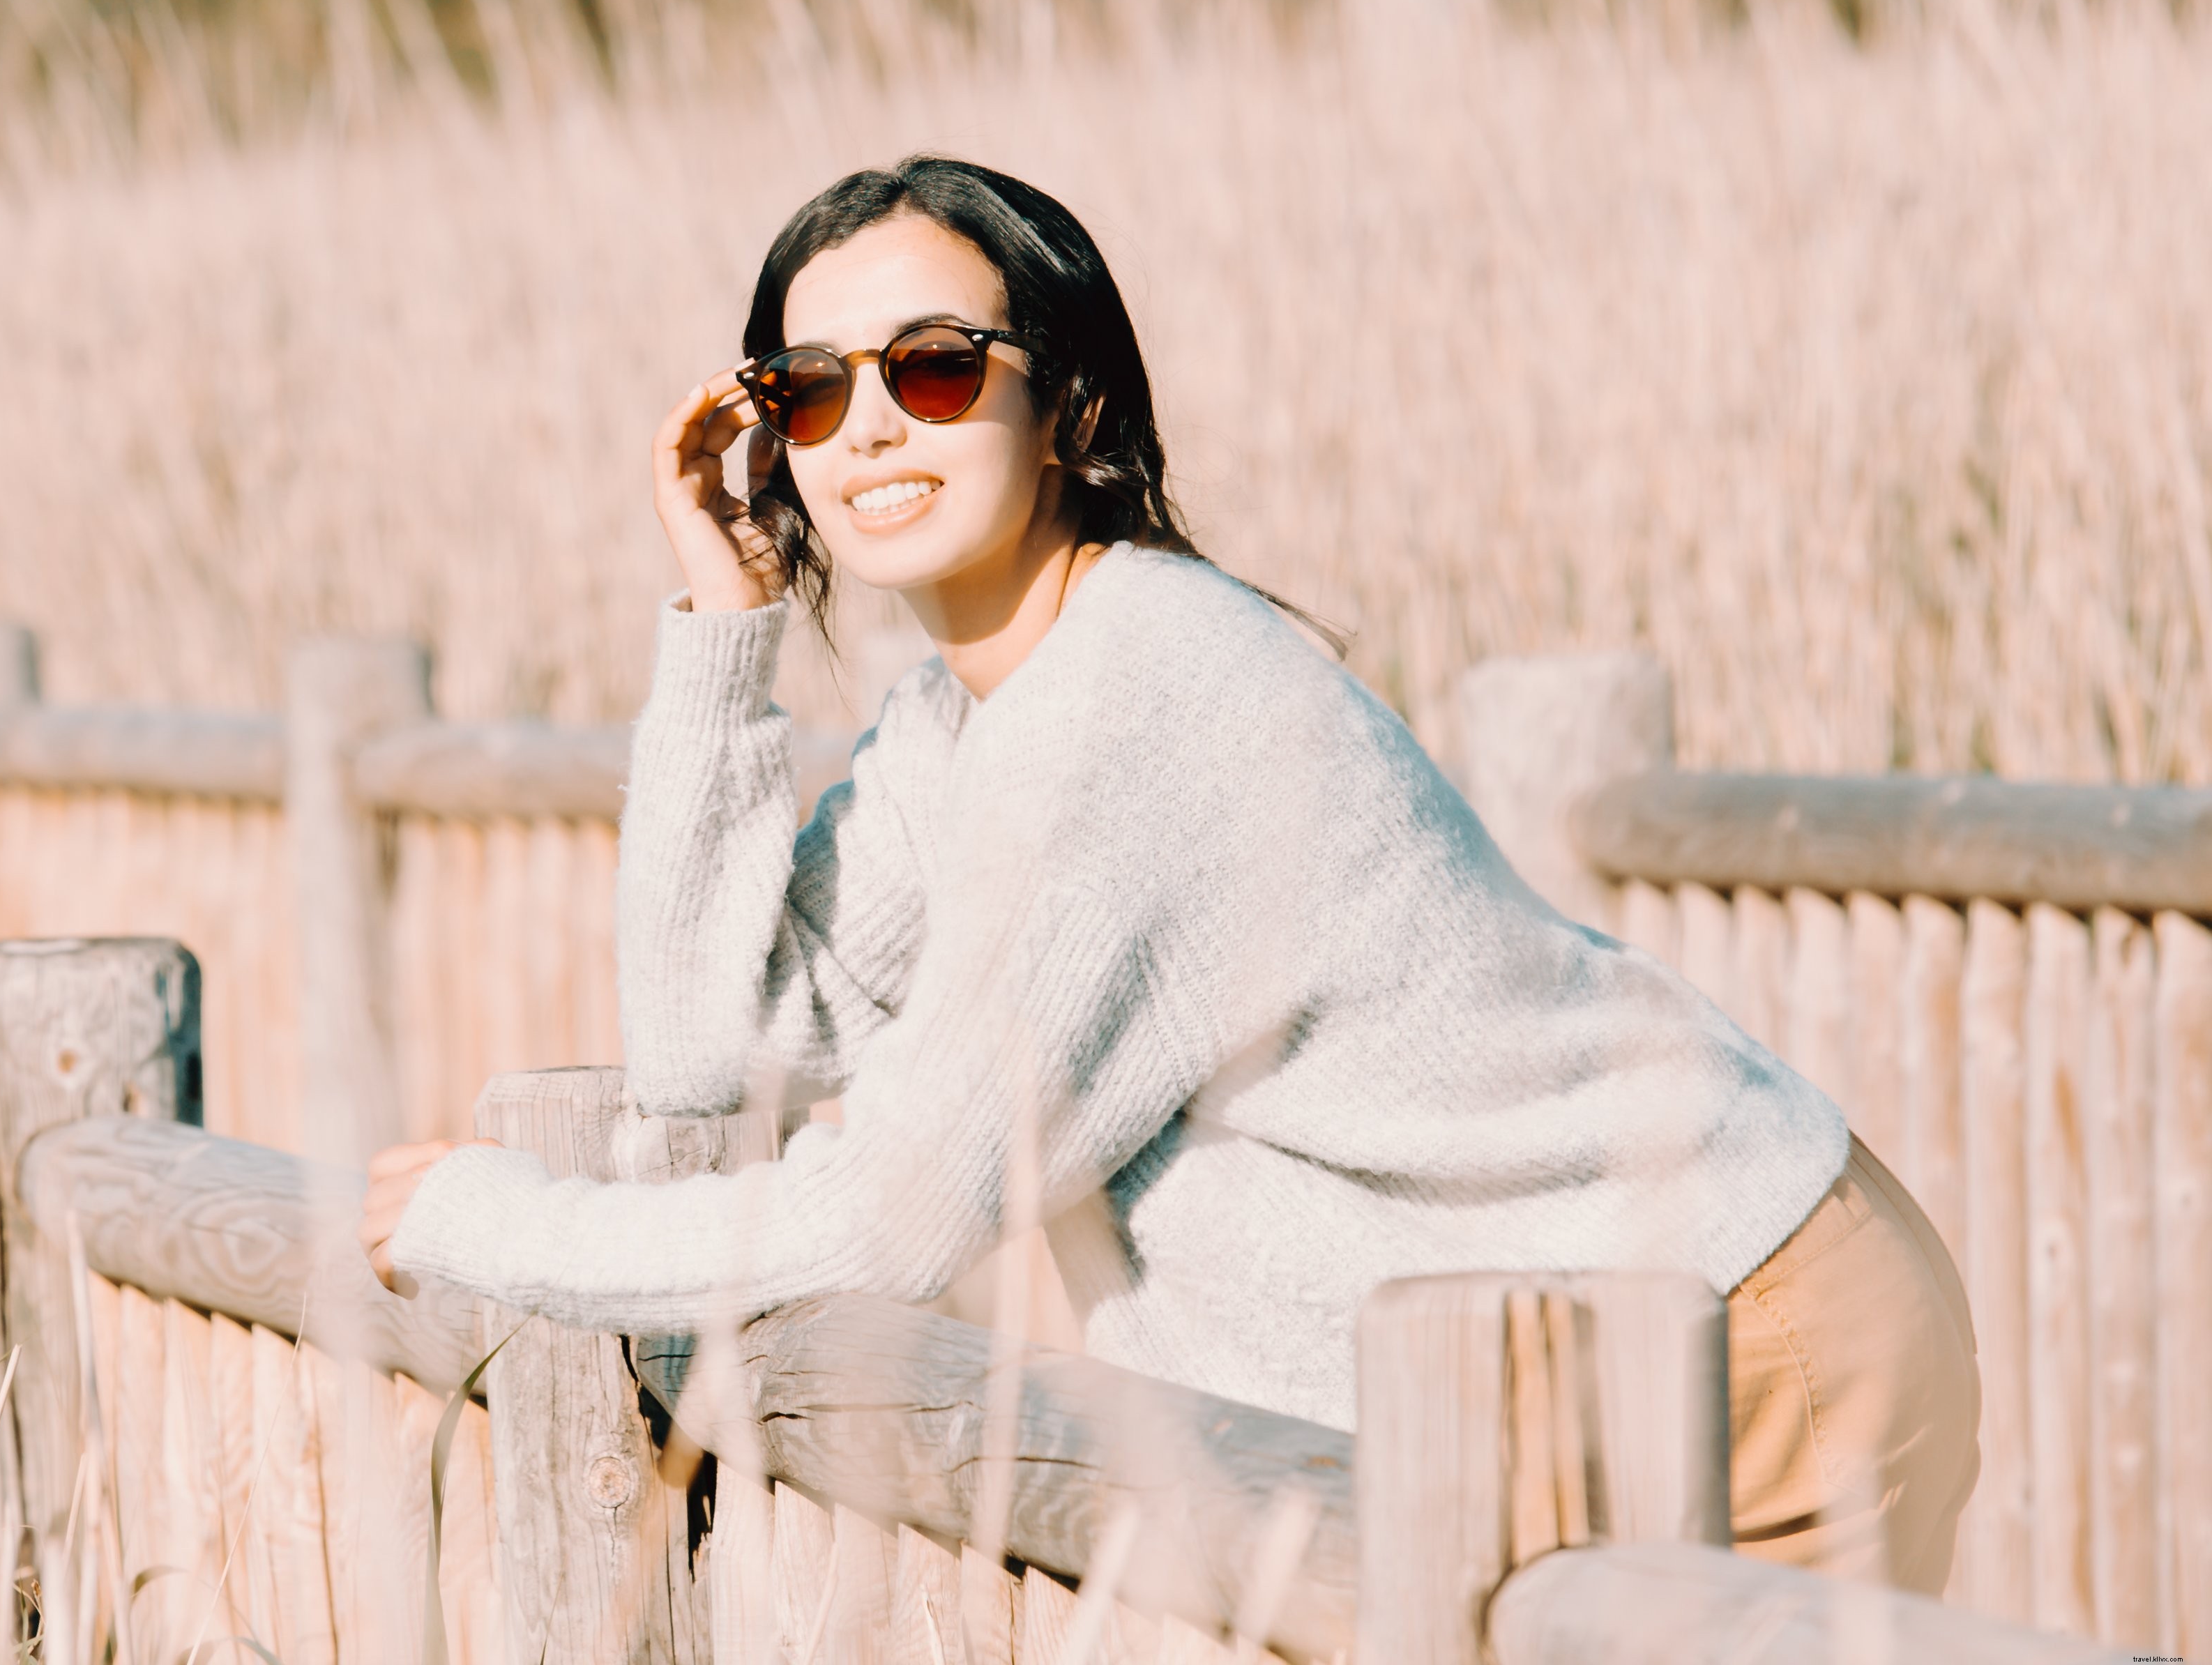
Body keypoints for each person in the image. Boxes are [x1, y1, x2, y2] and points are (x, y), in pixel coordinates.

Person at [360, 155, 1979, 1590]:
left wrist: (494, 1221)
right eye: (807, 388)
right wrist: (725, 620)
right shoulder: (960, 715)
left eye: (934, 366)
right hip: (1530, 1352)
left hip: (1729, 1314)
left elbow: (889, 1219)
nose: (869, 425)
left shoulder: (1129, 704)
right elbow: (717, 1044)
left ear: (1067, 405)